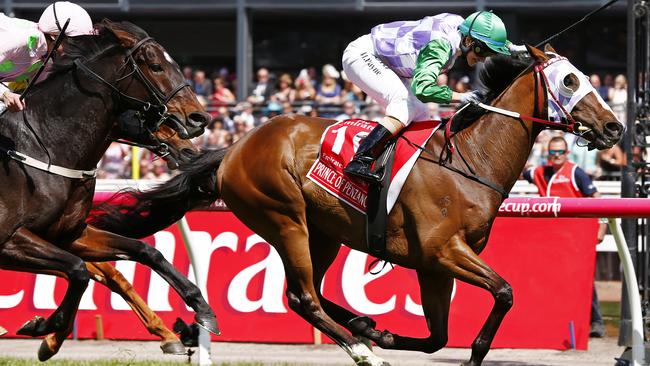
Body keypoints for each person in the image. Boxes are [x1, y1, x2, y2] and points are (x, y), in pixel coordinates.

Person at [341, 11, 518, 182]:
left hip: (387, 61)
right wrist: (461, 96)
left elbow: (485, 32)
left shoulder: (463, 27)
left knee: (422, 115)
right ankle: (360, 159)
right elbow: (423, 89)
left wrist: (512, 47)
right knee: (403, 105)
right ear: (469, 41)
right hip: (364, 55)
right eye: (482, 52)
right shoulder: (440, 47)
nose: (483, 59)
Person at [523, 136, 608, 338]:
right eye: (553, 152)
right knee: (548, 278)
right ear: (548, 154)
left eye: (560, 152)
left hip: (576, 236)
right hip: (550, 237)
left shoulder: (576, 172)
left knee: (582, 278)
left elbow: (598, 201)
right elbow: (519, 168)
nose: (557, 156)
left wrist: (601, 228)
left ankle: (595, 322)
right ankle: (553, 320)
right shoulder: (540, 172)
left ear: (567, 153)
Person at [0, 1, 94, 113]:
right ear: (55, 36)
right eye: (71, 45)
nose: (72, 52)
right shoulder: (20, 38)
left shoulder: (47, 56)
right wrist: (4, 94)